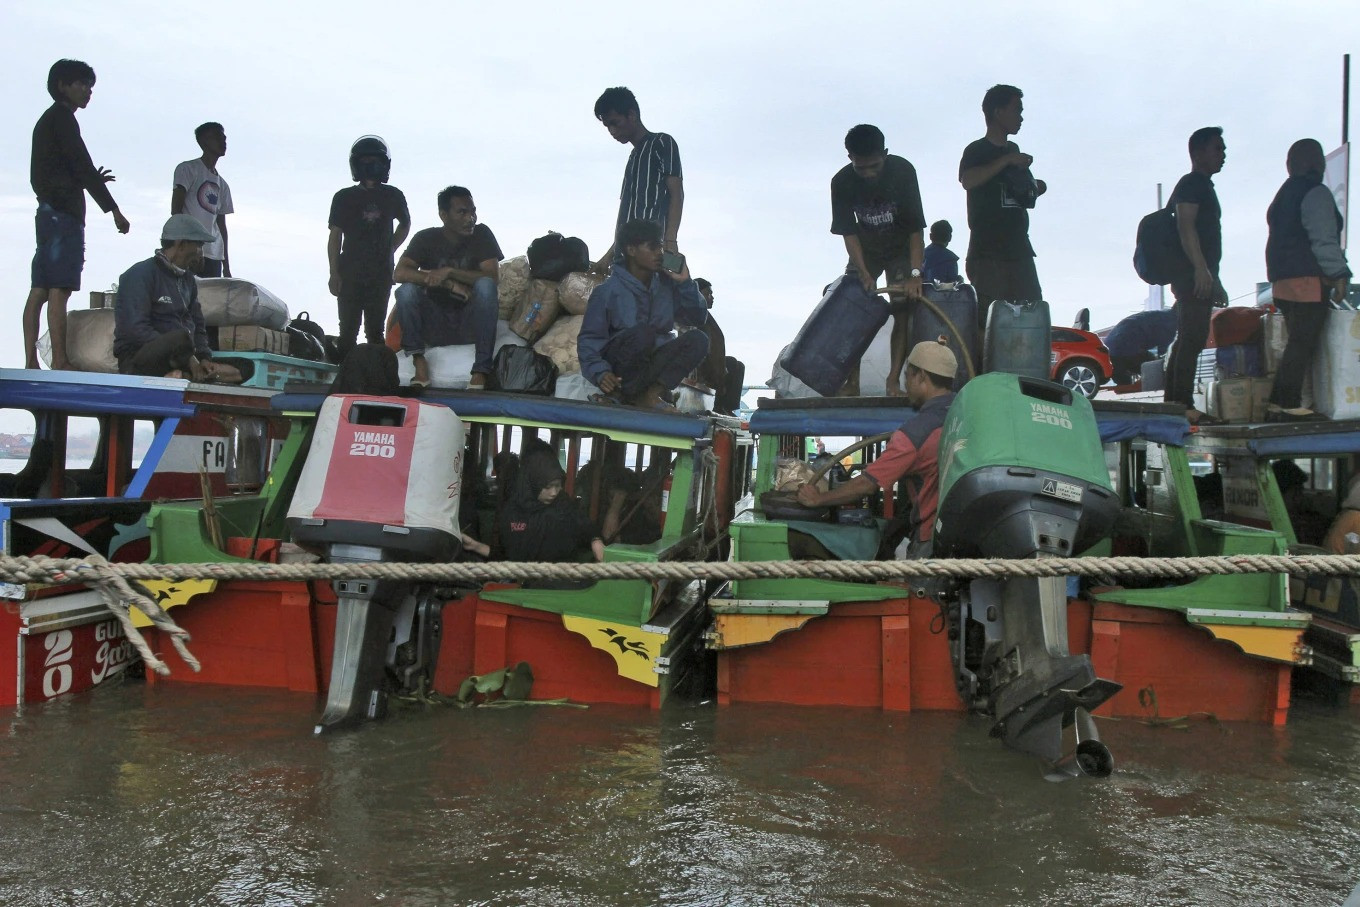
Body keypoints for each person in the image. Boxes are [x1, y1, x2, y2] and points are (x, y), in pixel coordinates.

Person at [796, 339, 958, 558]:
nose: (905, 386)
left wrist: (818, 499)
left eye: (907, 377)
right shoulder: (967, 416)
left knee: (922, 592)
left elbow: (866, 485)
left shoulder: (914, 434)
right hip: (963, 535)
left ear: (920, 376)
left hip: (931, 541)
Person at [25, 59, 131, 371]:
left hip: (47, 213)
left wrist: (86, 180)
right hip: (62, 216)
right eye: (81, 84)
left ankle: (32, 360)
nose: (87, 91)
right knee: (59, 289)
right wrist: (114, 210)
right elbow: (81, 164)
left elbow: (67, 168)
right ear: (62, 85)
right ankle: (60, 359)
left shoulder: (49, 122)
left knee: (40, 290)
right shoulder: (62, 119)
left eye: (90, 86)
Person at [830, 124, 926, 397]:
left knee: (903, 308)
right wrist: (862, 272)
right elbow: (848, 232)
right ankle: (851, 382)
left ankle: (894, 380)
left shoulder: (903, 172)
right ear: (850, 159)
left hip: (901, 249)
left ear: (885, 154)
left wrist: (915, 274)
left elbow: (915, 229)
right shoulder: (841, 182)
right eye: (862, 168)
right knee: (851, 309)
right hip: (866, 248)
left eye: (874, 166)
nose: (869, 174)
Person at [578, 218, 708, 410]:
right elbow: (589, 341)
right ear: (631, 250)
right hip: (621, 369)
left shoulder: (667, 285)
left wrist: (685, 282)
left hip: (652, 364)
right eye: (653, 248)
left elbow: (698, 318)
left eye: (661, 248)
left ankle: (651, 395)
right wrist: (600, 373)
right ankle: (620, 395)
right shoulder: (607, 291)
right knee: (643, 334)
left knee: (699, 339)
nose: (660, 254)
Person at [1264, 138, 1351, 423]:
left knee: (1296, 343)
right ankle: (1288, 403)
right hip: (1308, 280)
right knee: (1303, 343)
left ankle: (1279, 404)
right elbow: (1323, 237)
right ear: (1317, 164)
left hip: (1281, 281)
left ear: (1290, 166)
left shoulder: (1282, 196)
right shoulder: (1314, 192)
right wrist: (1339, 273)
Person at [392, 186, 501, 389]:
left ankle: (480, 370)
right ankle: (419, 361)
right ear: (443, 215)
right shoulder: (426, 238)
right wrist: (449, 284)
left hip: (469, 323)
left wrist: (450, 272)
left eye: (473, 211)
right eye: (462, 212)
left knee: (486, 286)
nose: (471, 218)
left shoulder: (482, 234)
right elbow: (399, 273)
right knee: (405, 291)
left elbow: (492, 277)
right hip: (435, 324)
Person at [112, 215, 242, 383]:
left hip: (183, 357)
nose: (201, 253)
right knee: (180, 338)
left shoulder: (188, 280)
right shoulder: (139, 275)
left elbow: (198, 325)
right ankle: (186, 374)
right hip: (141, 358)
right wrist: (189, 358)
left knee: (245, 366)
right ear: (181, 245)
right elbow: (135, 330)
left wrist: (203, 358)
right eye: (199, 245)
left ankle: (189, 375)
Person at [959, 84, 1047, 330]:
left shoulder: (1014, 150)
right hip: (988, 253)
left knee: (1031, 315)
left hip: (1019, 249)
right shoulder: (977, 150)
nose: (1020, 117)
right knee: (990, 322)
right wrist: (1007, 160)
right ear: (998, 112)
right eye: (1016, 110)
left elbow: (1021, 194)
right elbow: (969, 180)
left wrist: (1034, 186)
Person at [1163, 126, 1228, 424]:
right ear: (1198, 152)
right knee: (1192, 336)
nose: (1223, 154)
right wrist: (1201, 269)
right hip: (1192, 274)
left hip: (1199, 273)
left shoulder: (1199, 185)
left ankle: (1176, 403)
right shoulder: (1192, 184)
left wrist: (1215, 279)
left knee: (1189, 336)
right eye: (1218, 148)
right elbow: (1185, 227)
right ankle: (1181, 404)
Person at [328, 136, 411, 360]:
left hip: (380, 272)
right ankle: (343, 377)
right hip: (350, 271)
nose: (370, 165)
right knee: (347, 332)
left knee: (374, 332)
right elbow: (335, 236)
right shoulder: (344, 197)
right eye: (365, 160)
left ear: (384, 164)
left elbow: (405, 224)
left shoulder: (393, 195)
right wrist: (334, 273)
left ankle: (373, 379)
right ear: (356, 164)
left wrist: (390, 247)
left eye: (375, 160)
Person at [464, 442, 604, 563]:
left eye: (558, 485)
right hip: (521, 585)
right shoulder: (512, 512)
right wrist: (476, 546)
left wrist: (595, 539)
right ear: (533, 484)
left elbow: (586, 527)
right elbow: (507, 558)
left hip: (559, 585)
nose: (554, 492)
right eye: (547, 487)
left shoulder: (564, 506)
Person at [591, 87, 683, 270]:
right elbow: (627, 217)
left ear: (631, 115)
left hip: (651, 253)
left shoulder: (662, 143)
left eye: (615, 123)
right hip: (624, 259)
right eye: (607, 126)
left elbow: (676, 194)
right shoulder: (633, 158)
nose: (612, 131)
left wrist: (670, 240)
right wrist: (608, 257)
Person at [171, 122, 233, 278]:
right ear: (204, 141)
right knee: (185, 297)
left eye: (224, 137)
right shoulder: (187, 169)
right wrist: (180, 246)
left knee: (209, 301)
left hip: (214, 255)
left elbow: (221, 226)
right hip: (189, 249)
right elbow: (176, 211)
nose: (223, 141)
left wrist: (226, 266)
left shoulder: (223, 185)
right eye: (218, 137)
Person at [1104, 307, 1179, 385]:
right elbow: (1163, 354)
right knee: (1156, 370)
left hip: (1109, 351)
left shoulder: (1161, 315)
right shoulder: (1170, 323)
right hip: (1126, 347)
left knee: (1124, 383)